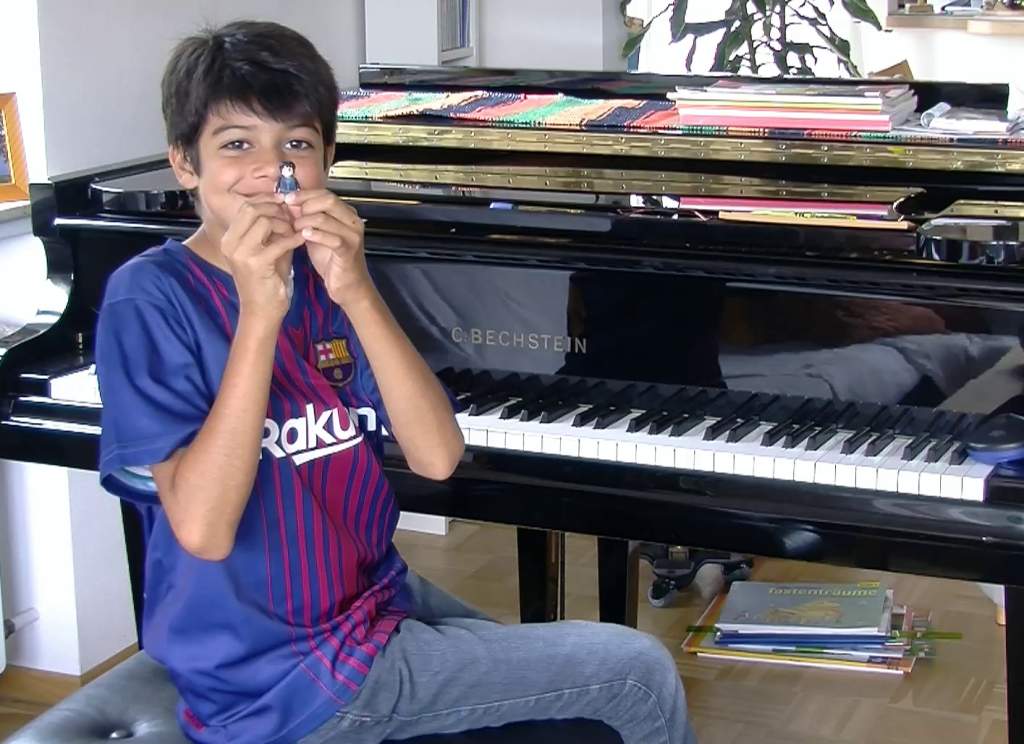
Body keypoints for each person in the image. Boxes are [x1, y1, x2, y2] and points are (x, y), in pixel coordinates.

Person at [93, 19, 698, 744]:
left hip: (373, 599)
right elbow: (203, 530)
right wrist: (260, 312)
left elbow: (437, 456)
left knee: (574, 702)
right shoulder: (150, 297)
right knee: (638, 672)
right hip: (281, 676)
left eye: (296, 145)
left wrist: (355, 290)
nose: (272, 170)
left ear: (327, 159)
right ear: (184, 163)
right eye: (237, 145)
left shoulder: (328, 279)